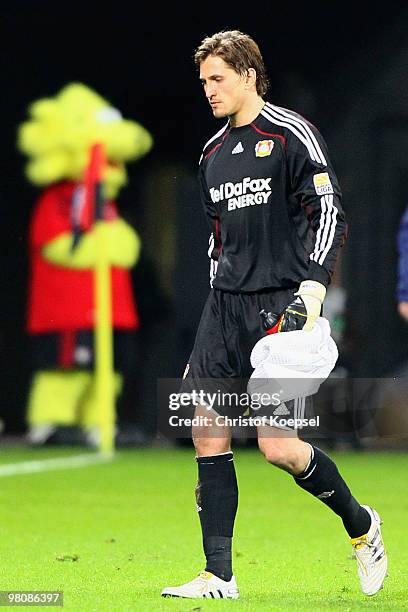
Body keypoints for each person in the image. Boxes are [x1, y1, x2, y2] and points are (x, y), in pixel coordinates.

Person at [161, 30, 387, 599]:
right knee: (206, 429)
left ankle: (362, 526)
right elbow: (217, 247)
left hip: (282, 306)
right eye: (203, 81)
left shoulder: (290, 135)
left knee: (277, 446)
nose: (208, 91)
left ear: (248, 76)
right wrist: (206, 338)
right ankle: (219, 575)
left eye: (217, 79)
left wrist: (312, 288)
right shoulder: (212, 155)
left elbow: (328, 208)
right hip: (226, 307)